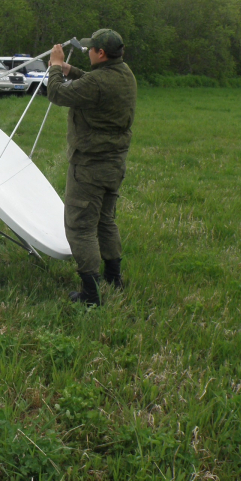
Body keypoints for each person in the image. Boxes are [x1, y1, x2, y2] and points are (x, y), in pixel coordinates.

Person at [46, 29, 137, 306]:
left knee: (80, 227)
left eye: (90, 50)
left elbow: (56, 94)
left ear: (101, 53)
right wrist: (70, 69)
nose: (87, 52)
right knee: (105, 221)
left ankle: (90, 294)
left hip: (89, 166)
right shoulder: (124, 74)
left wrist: (55, 68)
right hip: (113, 164)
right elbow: (93, 82)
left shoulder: (99, 82)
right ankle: (113, 277)